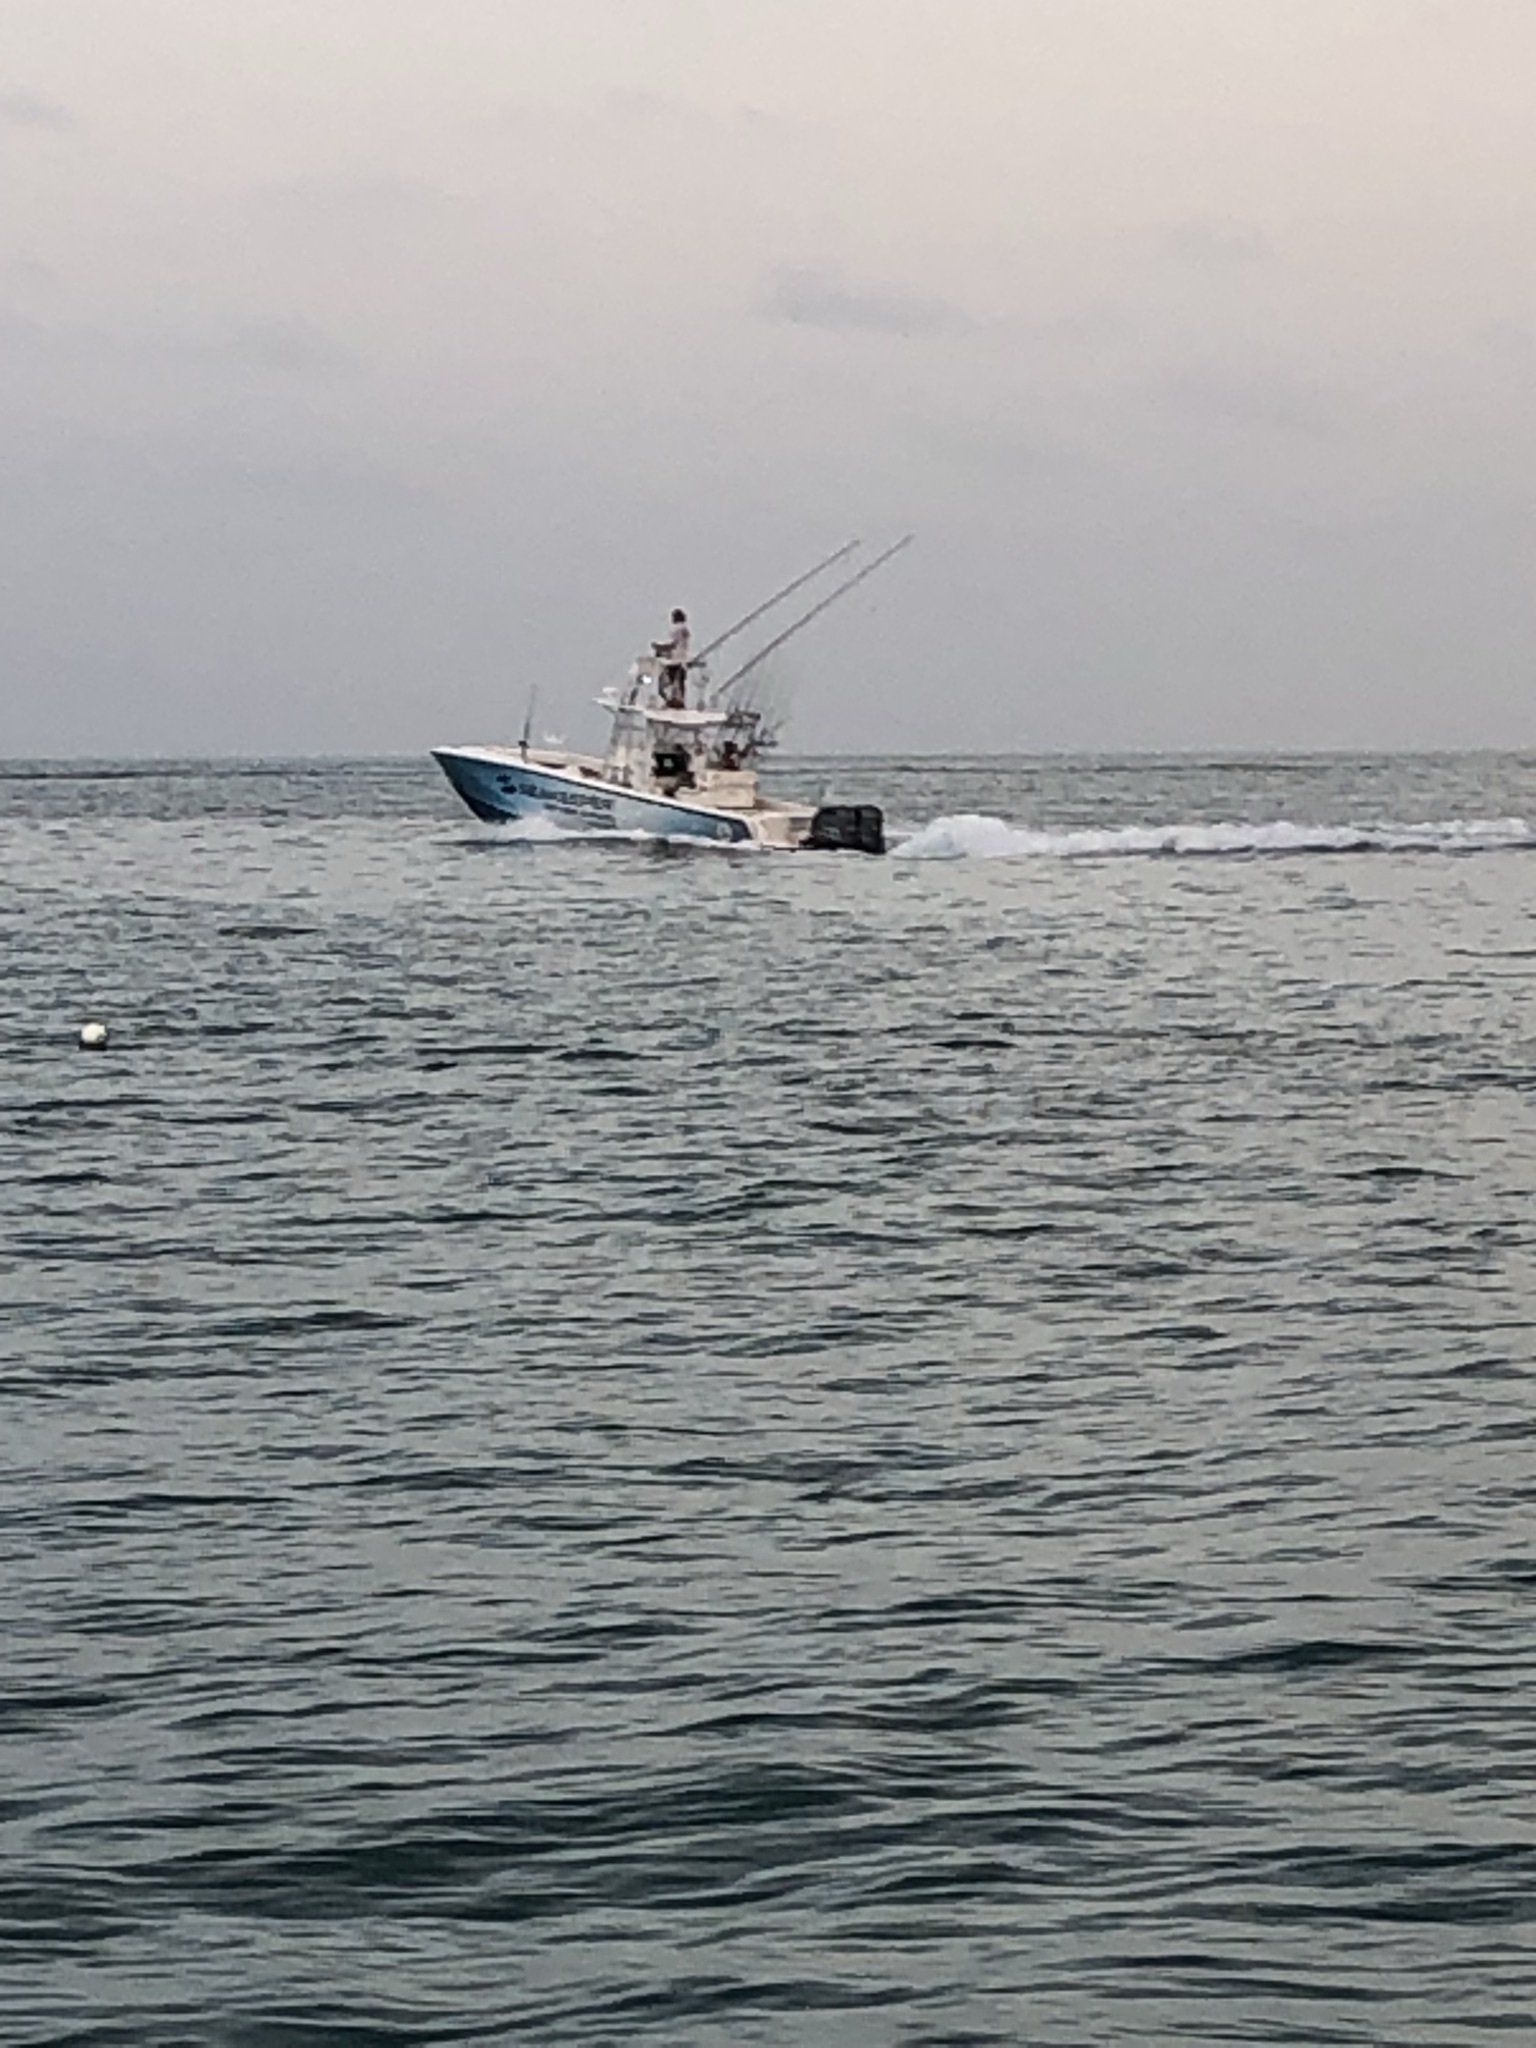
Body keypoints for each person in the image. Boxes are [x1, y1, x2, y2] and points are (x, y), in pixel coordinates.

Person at [652, 608, 691, 708]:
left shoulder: (676, 629)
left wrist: (658, 647)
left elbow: (672, 645)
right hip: (683, 661)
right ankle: (680, 702)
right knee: (680, 683)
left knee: (665, 685)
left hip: (674, 661)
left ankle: (670, 702)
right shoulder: (685, 629)